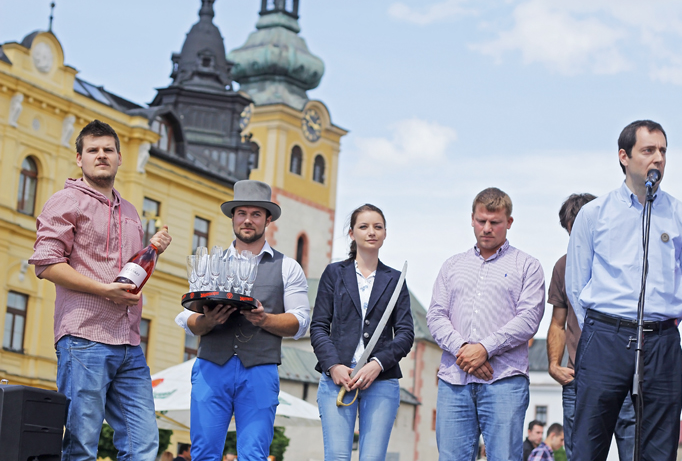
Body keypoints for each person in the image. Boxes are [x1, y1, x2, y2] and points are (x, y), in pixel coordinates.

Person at [28, 120, 172, 461]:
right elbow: (46, 264)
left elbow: (129, 273)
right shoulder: (65, 201)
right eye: (93, 150)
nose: (101, 155)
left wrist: (153, 250)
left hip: (130, 342)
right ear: (79, 159)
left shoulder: (131, 211)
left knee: (143, 446)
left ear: (120, 157)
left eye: (108, 149)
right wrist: (105, 290)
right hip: (84, 338)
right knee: (81, 445)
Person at [566, 120, 682, 461]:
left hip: (661, 342)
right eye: (648, 150)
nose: (658, 158)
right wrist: (604, 326)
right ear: (624, 156)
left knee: (659, 448)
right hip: (605, 338)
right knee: (588, 444)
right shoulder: (593, 215)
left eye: (663, 151)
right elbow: (577, 283)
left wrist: (659, 324)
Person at [175, 180, 310, 461]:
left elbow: (300, 322)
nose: (248, 220)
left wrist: (265, 319)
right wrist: (208, 321)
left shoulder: (288, 267)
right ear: (233, 217)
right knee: (203, 453)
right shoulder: (209, 263)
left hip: (260, 369)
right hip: (211, 366)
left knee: (254, 455)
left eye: (256, 214)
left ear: (268, 219)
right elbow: (187, 316)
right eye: (242, 213)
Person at [427, 187, 546, 461]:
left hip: (504, 381)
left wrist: (484, 349)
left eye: (495, 222)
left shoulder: (527, 266)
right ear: (472, 219)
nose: (487, 228)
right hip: (454, 381)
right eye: (481, 221)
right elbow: (435, 315)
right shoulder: (452, 266)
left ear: (509, 222)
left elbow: (529, 319)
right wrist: (465, 350)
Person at [310, 204, 414, 460]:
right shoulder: (334, 273)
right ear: (351, 233)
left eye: (378, 227)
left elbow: (405, 333)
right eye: (364, 226)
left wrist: (378, 363)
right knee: (337, 457)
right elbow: (319, 326)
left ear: (385, 233)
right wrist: (333, 365)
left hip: (382, 380)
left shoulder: (395, 279)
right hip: (337, 379)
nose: (371, 232)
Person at [547, 193, 635, 461]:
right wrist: (553, 365)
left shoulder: (623, 264)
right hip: (579, 377)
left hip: (624, 376)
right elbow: (557, 323)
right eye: (573, 232)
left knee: (635, 454)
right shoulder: (563, 266)